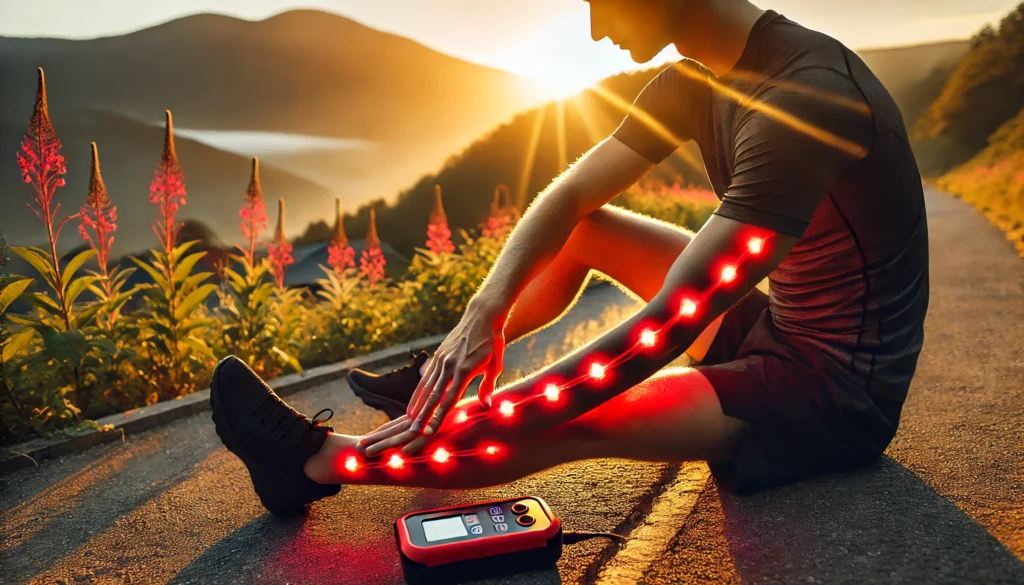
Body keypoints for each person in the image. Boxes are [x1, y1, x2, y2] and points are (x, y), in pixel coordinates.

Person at [211, 0, 929, 516]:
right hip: (775, 326)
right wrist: (480, 317)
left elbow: (670, 324)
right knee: (586, 228)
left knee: (574, 417)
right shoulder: (694, 83)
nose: (594, 25)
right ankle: (438, 378)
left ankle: (313, 461)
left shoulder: (806, 102)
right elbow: (570, 197)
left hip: (829, 394)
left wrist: (508, 416)